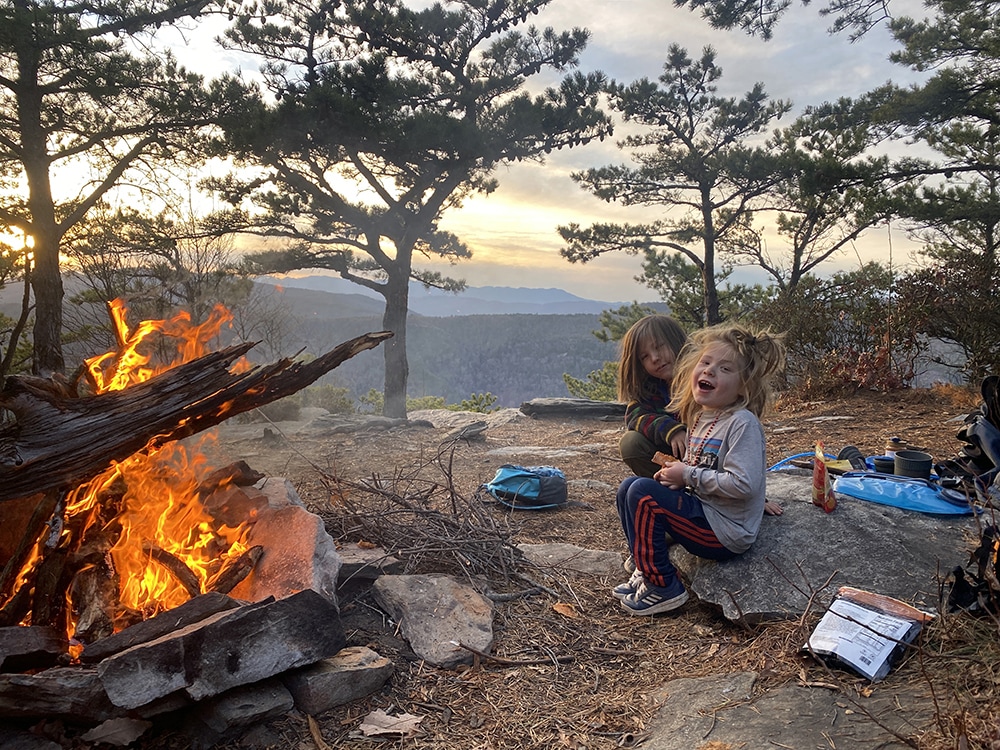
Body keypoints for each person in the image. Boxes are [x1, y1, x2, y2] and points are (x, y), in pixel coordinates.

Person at [613, 323, 786, 616]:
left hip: (725, 532)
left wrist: (688, 475)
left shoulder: (742, 423)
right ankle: (645, 566)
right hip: (704, 510)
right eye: (705, 363)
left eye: (725, 369)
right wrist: (676, 479)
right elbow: (701, 470)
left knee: (641, 493)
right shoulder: (702, 418)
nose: (709, 371)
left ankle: (663, 586)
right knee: (629, 488)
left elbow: (744, 484)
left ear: (744, 385)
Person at [617, 314, 689, 478]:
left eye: (659, 347)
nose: (655, 358)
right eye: (645, 357)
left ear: (676, 341)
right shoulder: (652, 387)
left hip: (708, 457)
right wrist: (670, 429)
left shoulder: (702, 380)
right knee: (631, 443)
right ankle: (672, 492)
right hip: (675, 456)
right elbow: (635, 416)